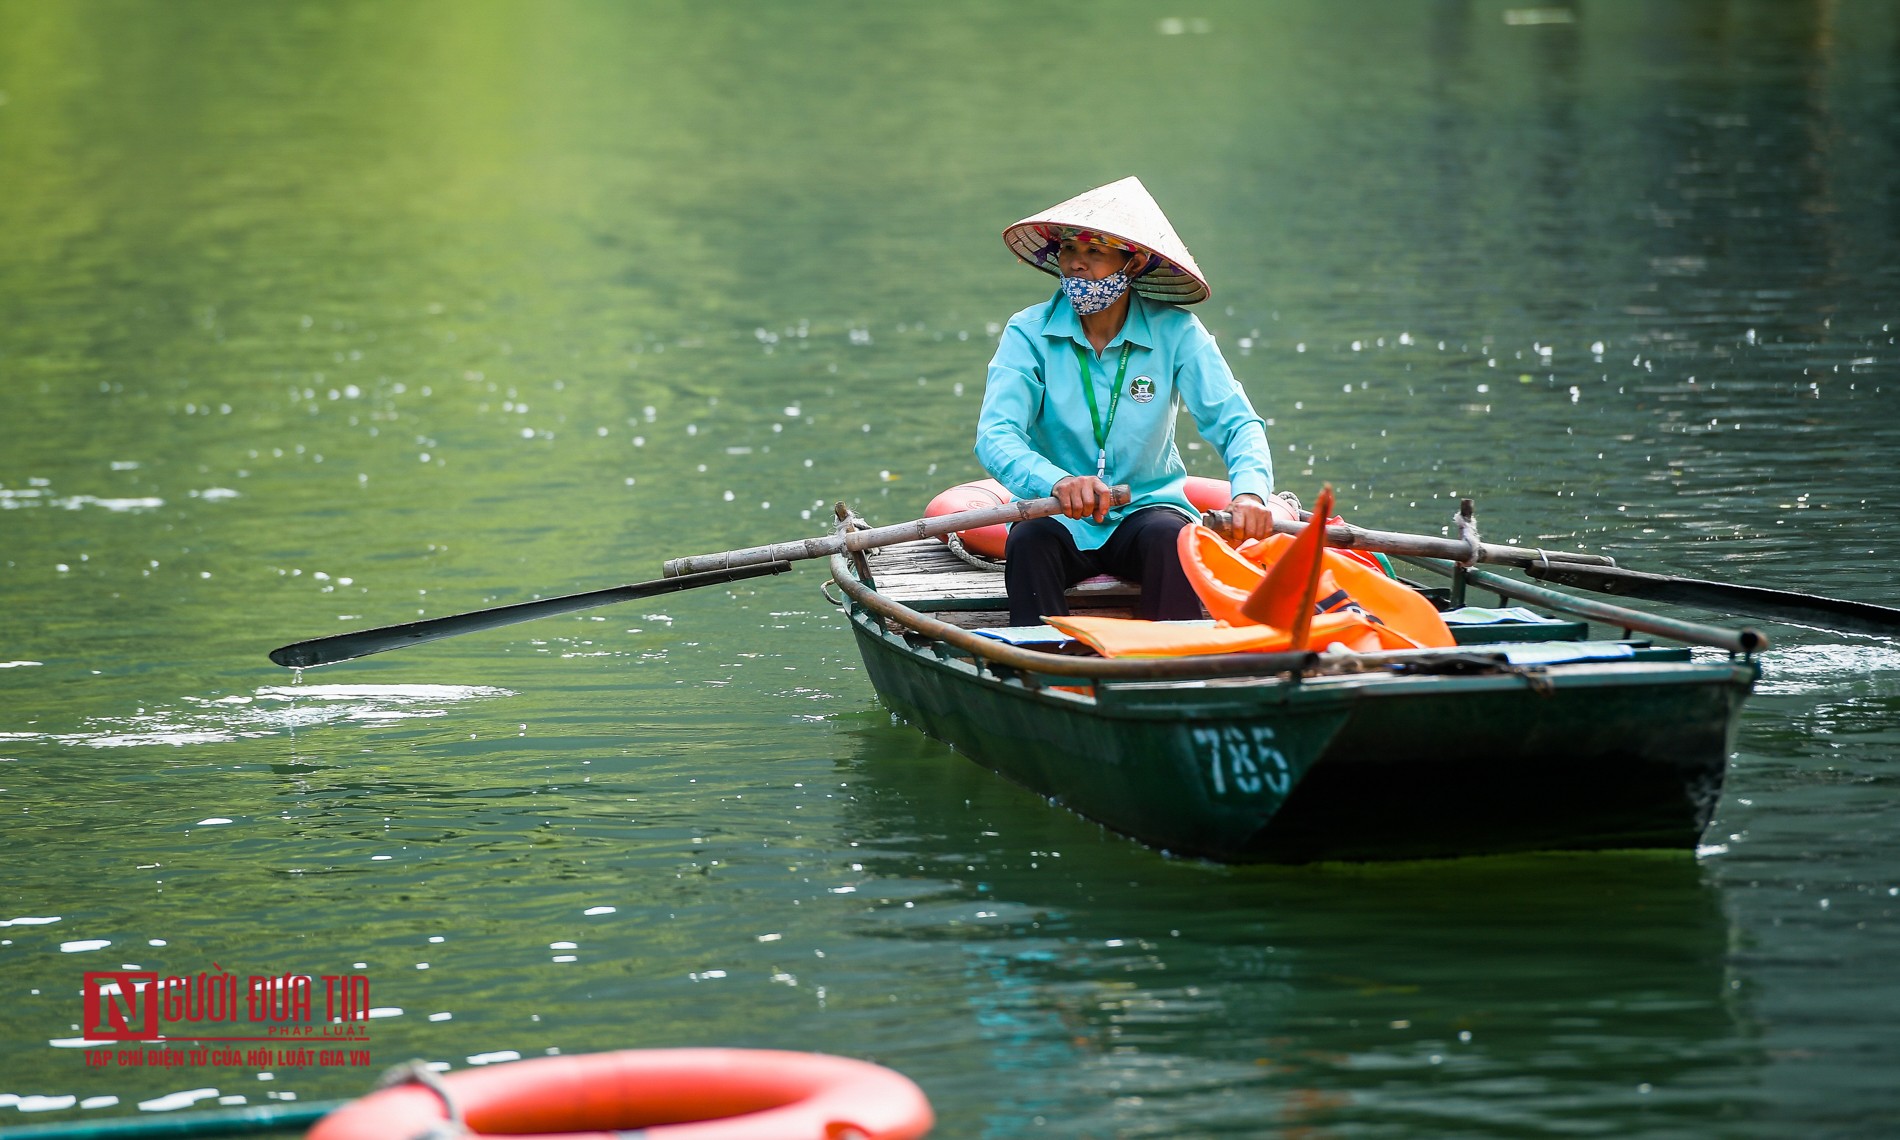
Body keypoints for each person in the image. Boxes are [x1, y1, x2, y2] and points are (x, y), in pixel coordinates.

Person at [975, 176, 1277, 627]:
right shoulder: (1027, 332)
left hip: (1148, 510)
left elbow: (1237, 423)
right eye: (1069, 250)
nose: (1077, 264)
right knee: (1028, 542)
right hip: (1059, 514)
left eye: (1095, 252)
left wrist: (1250, 495)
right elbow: (996, 435)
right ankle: (1046, 675)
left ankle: (1172, 670)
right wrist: (1057, 481)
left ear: (1131, 264)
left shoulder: (1177, 332)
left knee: (1170, 538)